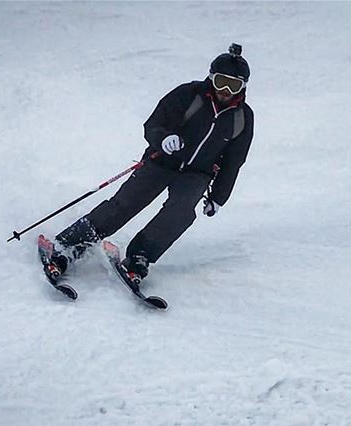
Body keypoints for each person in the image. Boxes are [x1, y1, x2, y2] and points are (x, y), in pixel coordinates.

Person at [47, 43, 254, 283]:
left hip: (197, 174)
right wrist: (163, 138)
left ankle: (140, 256)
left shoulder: (242, 117)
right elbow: (153, 123)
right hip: (162, 161)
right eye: (221, 82)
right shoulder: (188, 95)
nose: (226, 90)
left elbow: (233, 161)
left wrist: (219, 196)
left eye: (234, 85)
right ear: (211, 77)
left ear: (243, 87)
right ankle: (70, 246)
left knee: (181, 213)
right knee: (124, 204)